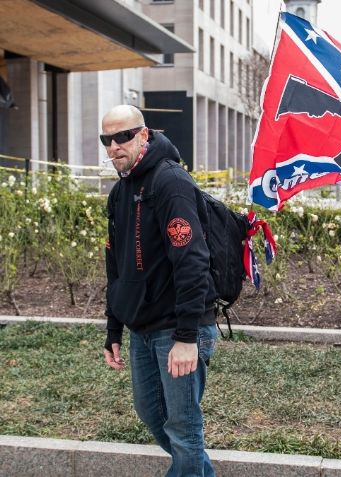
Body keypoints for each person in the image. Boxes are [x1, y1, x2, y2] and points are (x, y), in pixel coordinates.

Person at [101, 104, 218, 476]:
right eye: (107, 139)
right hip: (143, 329)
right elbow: (115, 267)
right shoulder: (119, 193)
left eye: (123, 136)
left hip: (178, 329)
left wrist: (186, 337)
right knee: (152, 415)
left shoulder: (172, 183)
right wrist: (113, 329)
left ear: (144, 135)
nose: (115, 146)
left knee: (183, 429)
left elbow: (193, 262)